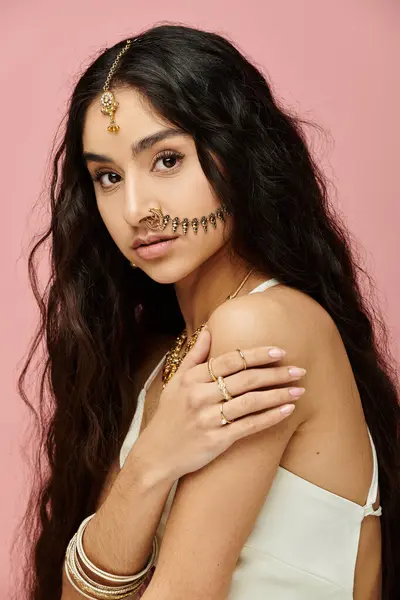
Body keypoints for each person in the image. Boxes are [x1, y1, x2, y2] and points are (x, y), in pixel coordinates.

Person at [14, 23, 399, 600]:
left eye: (167, 159)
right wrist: (149, 463)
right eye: (109, 177)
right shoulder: (154, 366)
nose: (138, 208)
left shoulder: (262, 326)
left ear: (239, 155)